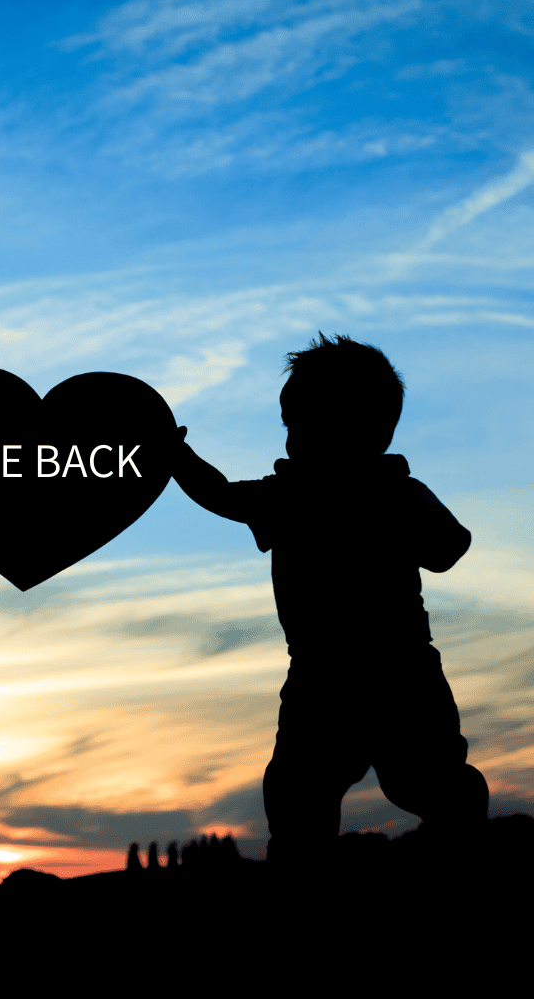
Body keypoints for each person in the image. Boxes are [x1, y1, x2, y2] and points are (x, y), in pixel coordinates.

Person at [167, 333, 489, 870]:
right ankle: (455, 829)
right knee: (312, 793)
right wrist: (176, 456)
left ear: (360, 426)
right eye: (288, 423)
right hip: (356, 673)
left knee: (332, 792)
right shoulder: (340, 493)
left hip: (381, 673)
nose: (291, 435)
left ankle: (458, 830)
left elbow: (217, 494)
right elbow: (450, 548)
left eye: (299, 422)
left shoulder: (303, 496)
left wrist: (176, 457)